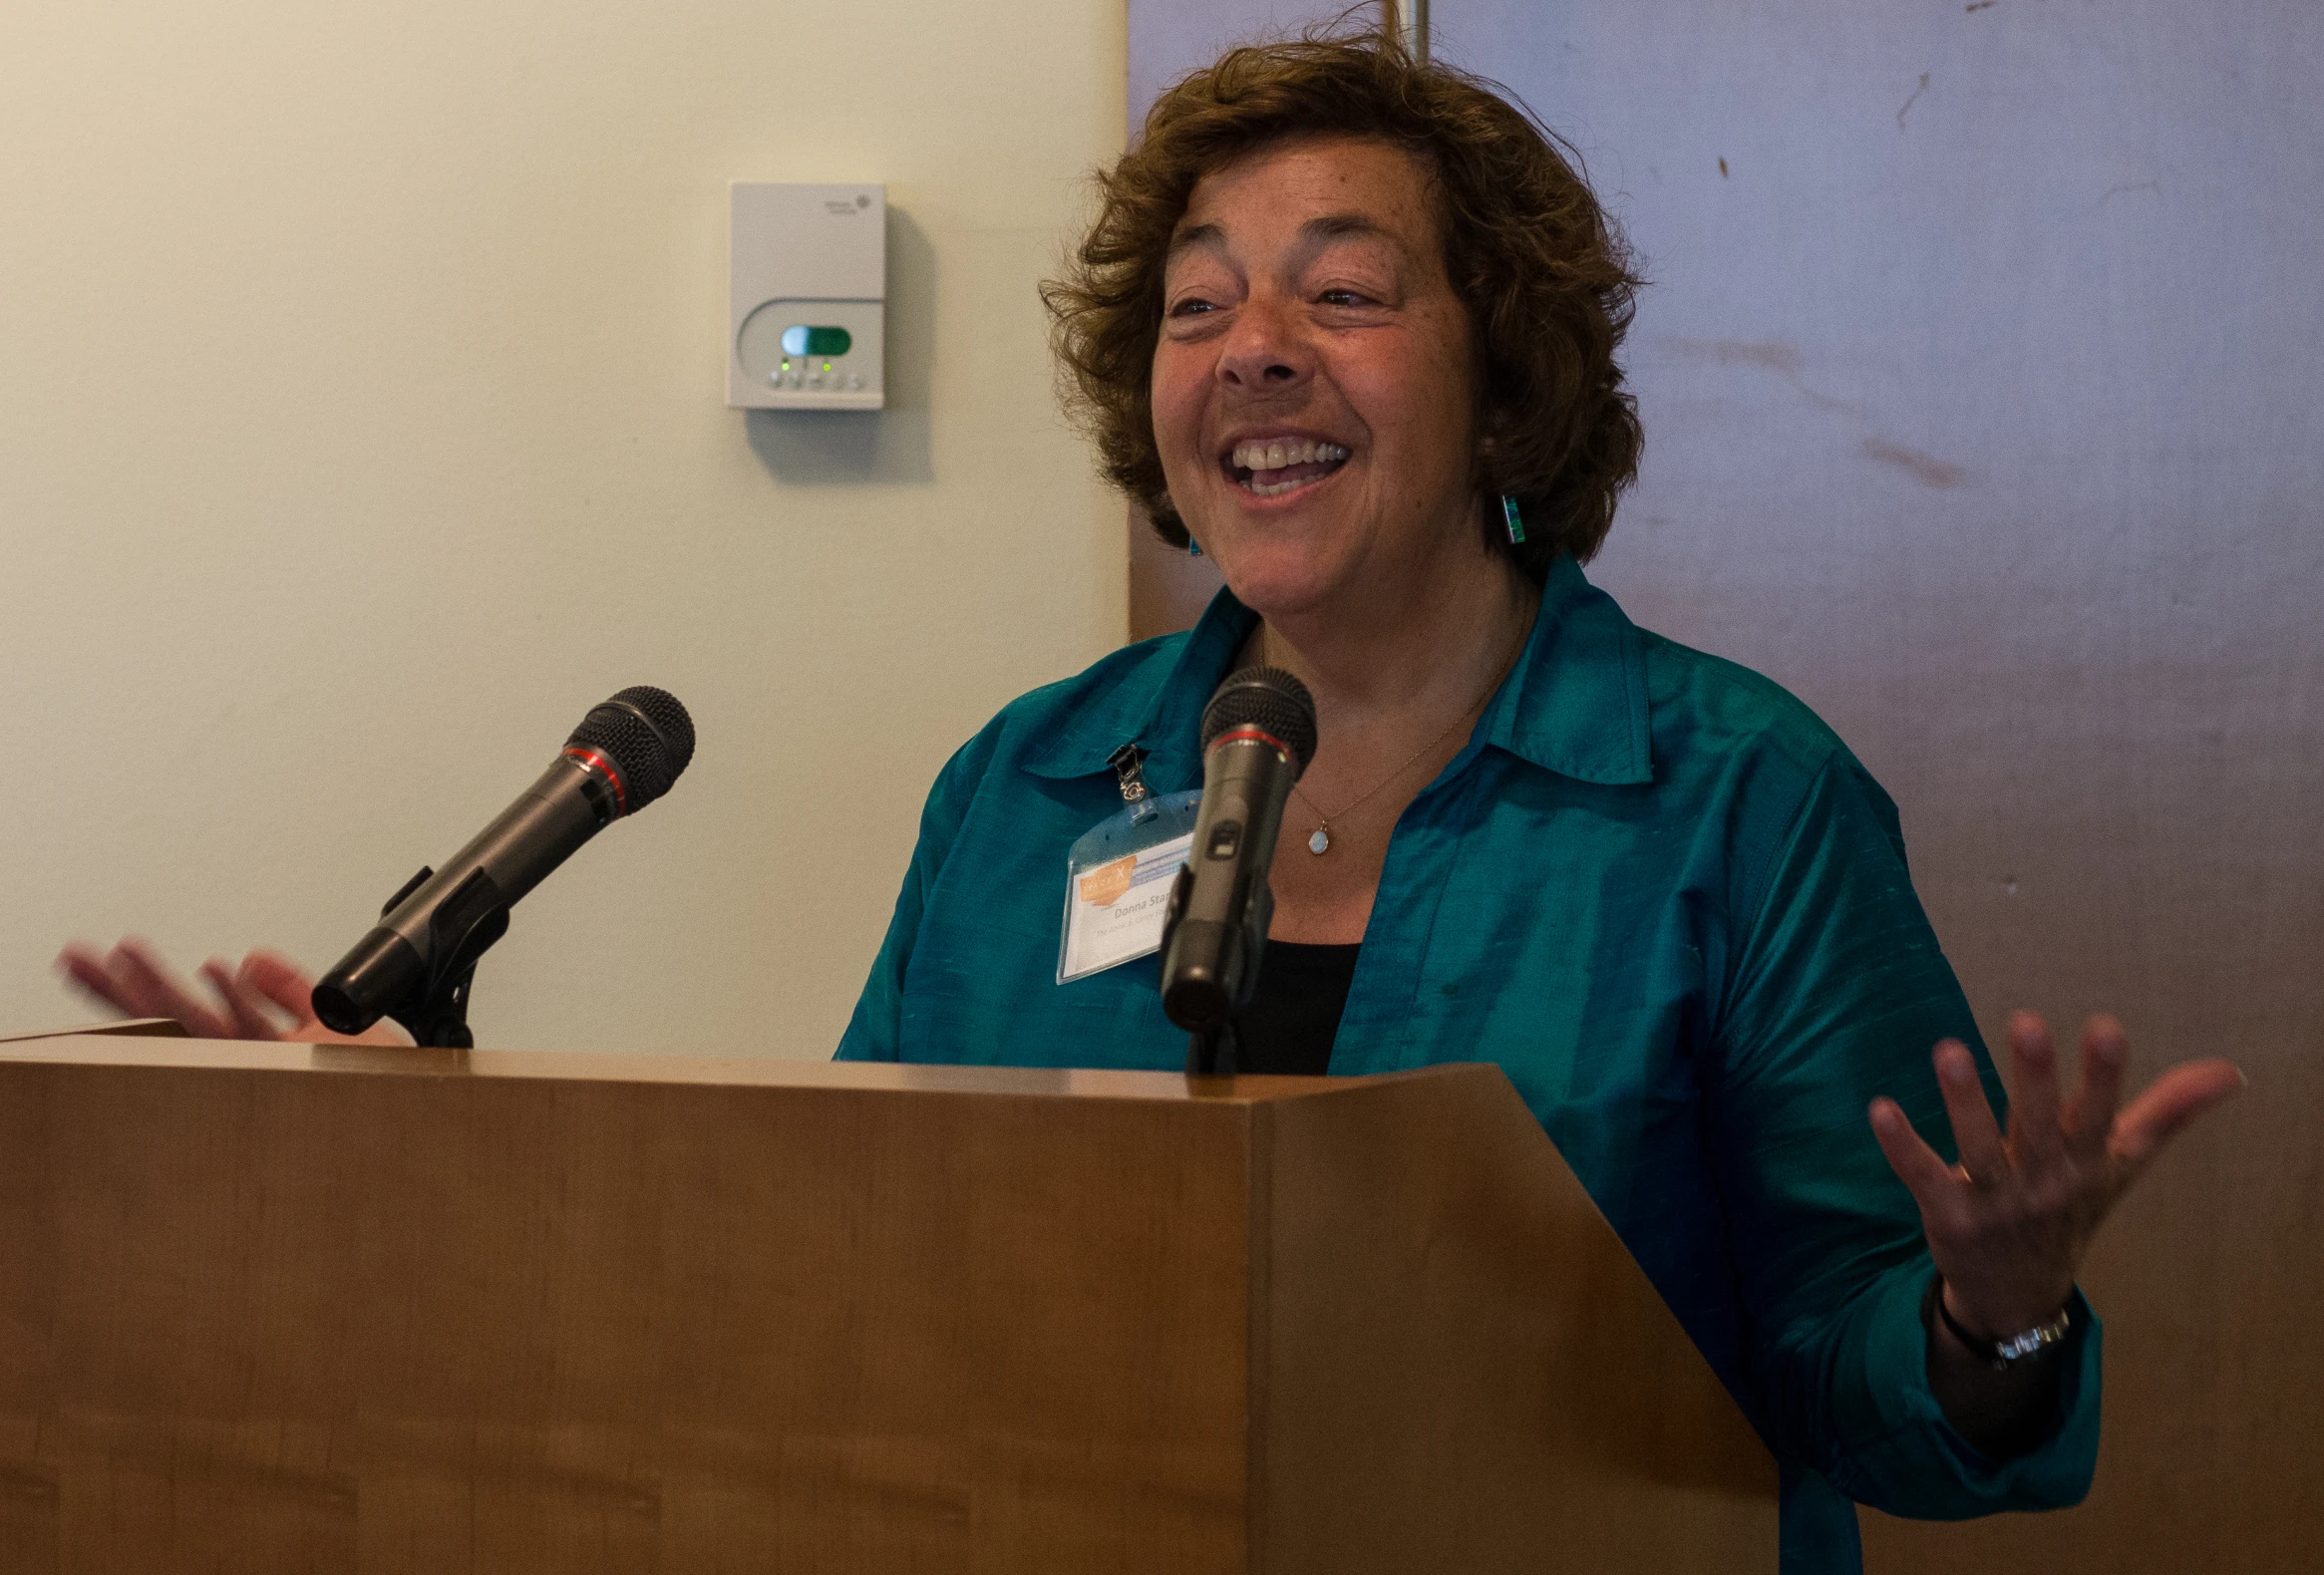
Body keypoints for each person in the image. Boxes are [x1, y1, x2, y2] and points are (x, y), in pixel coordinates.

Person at [60, 29, 2240, 1573]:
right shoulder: (1029, 782)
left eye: (1343, 293)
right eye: (1196, 306)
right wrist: (365, 1158)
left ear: (1510, 369)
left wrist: (1992, 1311)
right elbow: (839, 1283)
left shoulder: (1735, 800)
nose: (1251, 348)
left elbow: (1874, 1413)